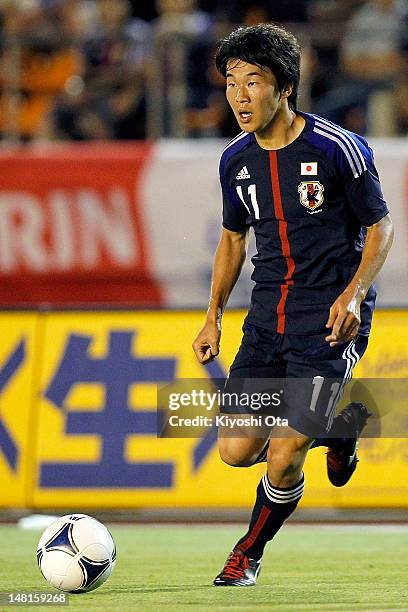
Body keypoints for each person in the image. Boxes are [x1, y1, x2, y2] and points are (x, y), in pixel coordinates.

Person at [192, 23, 394, 587]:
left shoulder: (337, 149)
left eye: (251, 82)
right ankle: (341, 427)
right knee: (236, 450)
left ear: (283, 87)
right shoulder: (235, 159)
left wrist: (354, 294)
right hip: (266, 319)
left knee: (284, 453)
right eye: (231, 83)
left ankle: (247, 554)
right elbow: (233, 240)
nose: (238, 96)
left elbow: (381, 225)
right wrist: (213, 315)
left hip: (330, 318)